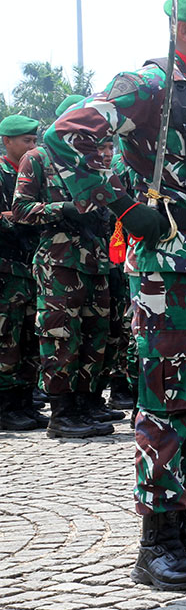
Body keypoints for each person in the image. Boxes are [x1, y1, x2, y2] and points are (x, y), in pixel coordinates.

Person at [45, 0, 186, 590]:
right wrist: (122, 206)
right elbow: (65, 134)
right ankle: (156, 540)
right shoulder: (150, 83)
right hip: (168, 270)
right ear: (183, 30)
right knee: (166, 402)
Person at [12, 104, 120, 438]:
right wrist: (64, 209)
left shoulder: (91, 161)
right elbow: (21, 210)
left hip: (96, 260)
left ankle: (84, 407)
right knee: (60, 336)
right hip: (59, 261)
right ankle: (61, 414)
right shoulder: (38, 158)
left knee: (95, 334)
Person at [0, 114, 46, 431]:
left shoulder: (34, 172)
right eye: (26, 141)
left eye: (34, 140)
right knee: (6, 338)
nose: (32, 146)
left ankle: (24, 401)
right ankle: (5, 406)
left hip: (30, 266)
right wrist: (23, 216)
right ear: (7, 141)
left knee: (30, 338)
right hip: (6, 267)